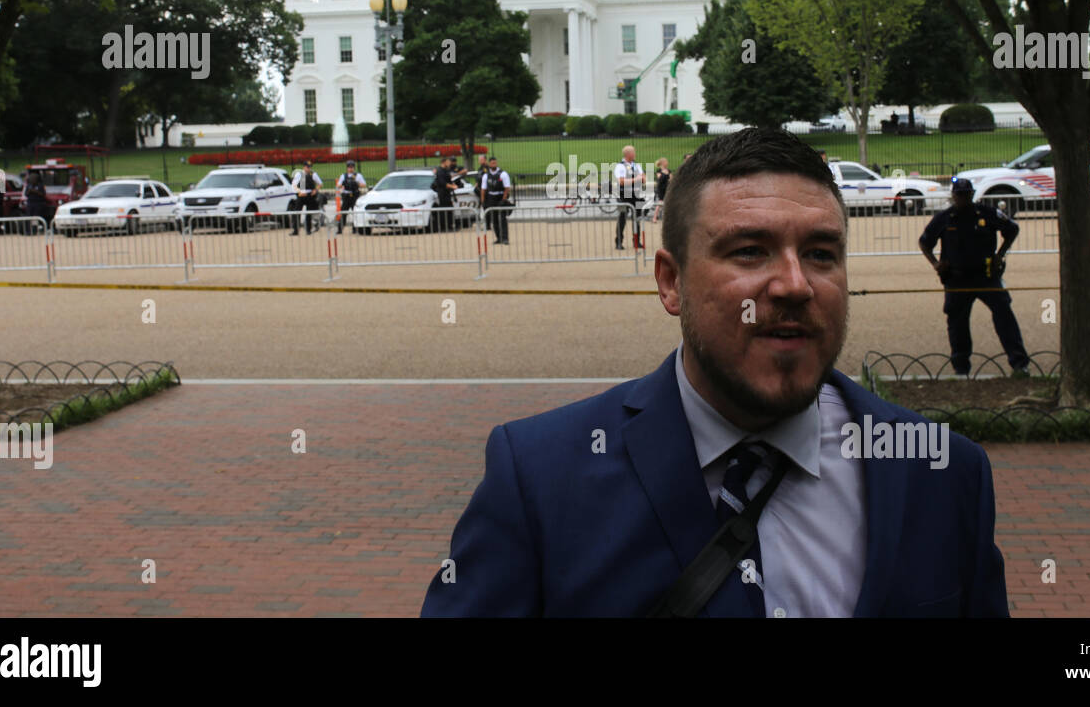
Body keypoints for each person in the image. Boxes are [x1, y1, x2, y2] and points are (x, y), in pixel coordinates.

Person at [422, 128, 1008, 617]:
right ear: (670, 282)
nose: (796, 285)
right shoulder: (539, 479)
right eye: (749, 251)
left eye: (822, 253)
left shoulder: (943, 471)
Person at [919, 177, 1030, 378]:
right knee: (957, 323)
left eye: (966, 194)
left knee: (1004, 316)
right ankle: (961, 368)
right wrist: (936, 264)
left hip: (986, 276)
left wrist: (1000, 254)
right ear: (953, 196)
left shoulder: (987, 213)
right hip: (957, 278)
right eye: (959, 195)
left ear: (971, 194)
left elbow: (1012, 229)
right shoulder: (945, 217)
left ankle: (1019, 364)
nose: (962, 198)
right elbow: (924, 242)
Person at [613, 144, 645, 250]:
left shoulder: (637, 165)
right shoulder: (620, 166)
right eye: (633, 152)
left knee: (637, 218)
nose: (635, 154)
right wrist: (636, 179)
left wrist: (640, 179)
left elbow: (643, 178)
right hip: (624, 195)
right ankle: (619, 242)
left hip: (636, 194)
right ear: (628, 154)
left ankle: (637, 241)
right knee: (622, 218)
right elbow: (621, 181)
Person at [480, 156, 513, 244]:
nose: (494, 164)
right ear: (489, 164)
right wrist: (483, 202)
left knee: (502, 219)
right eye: (492, 163)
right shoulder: (486, 175)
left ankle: (505, 238)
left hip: (500, 197)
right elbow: (483, 189)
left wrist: (504, 200)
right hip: (491, 198)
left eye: (495, 162)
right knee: (494, 220)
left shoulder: (503, 174)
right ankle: (499, 238)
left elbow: (507, 188)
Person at [289, 160, 323, 235]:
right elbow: (294, 185)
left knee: (308, 214)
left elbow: (320, 183)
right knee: (296, 212)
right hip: (301, 196)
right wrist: (299, 192)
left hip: (310, 195)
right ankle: (296, 230)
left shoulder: (313, 174)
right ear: (304, 167)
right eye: (307, 167)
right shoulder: (299, 174)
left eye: (310, 167)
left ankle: (308, 230)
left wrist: (315, 190)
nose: (309, 169)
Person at [335, 160, 367, 234]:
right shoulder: (343, 176)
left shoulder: (358, 176)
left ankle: (355, 229)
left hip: (354, 195)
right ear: (347, 168)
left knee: (355, 213)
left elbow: (364, 184)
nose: (350, 169)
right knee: (343, 213)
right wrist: (343, 183)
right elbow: (338, 185)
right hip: (346, 196)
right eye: (349, 167)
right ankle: (340, 229)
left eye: (352, 167)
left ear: (354, 168)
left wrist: (356, 183)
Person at [431, 157, 460, 231]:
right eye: (448, 161)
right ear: (444, 162)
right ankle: (444, 227)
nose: (449, 163)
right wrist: (453, 186)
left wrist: (453, 184)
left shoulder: (445, 170)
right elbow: (443, 183)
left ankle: (450, 226)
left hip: (447, 193)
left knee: (449, 210)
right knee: (444, 211)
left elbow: (449, 179)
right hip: (443, 193)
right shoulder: (440, 171)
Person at [23, 168, 47, 233]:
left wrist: (35, 191)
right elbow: (26, 194)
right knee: (28, 217)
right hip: (30, 203)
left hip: (38, 203)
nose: (32, 179)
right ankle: (28, 231)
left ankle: (34, 230)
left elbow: (43, 194)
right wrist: (29, 191)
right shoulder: (29, 185)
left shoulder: (40, 186)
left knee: (35, 218)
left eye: (33, 178)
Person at [650, 157, 671, 223]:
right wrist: (665, 174)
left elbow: (671, 178)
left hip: (667, 187)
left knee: (667, 202)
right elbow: (660, 178)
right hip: (661, 188)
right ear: (662, 163)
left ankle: (666, 218)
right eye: (665, 162)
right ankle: (654, 217)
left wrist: (667, 175)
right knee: (660, 202)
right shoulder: (659, 170)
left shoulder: (669, 170)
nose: (667, 163)